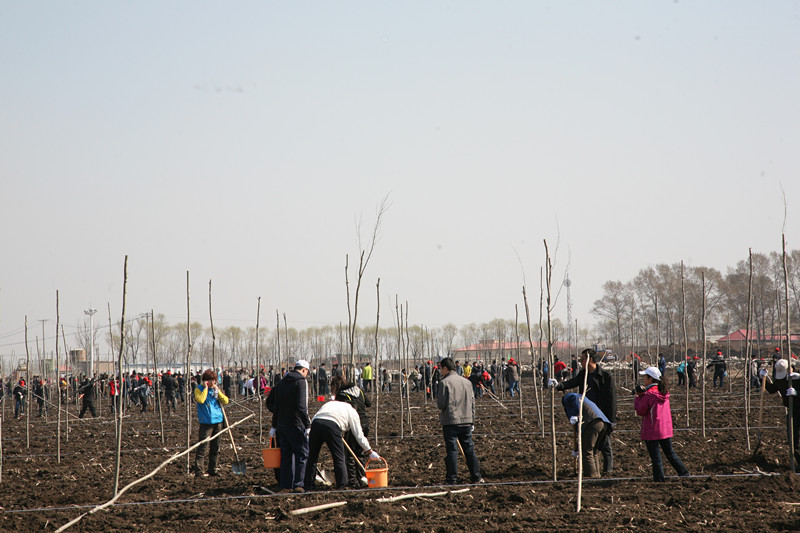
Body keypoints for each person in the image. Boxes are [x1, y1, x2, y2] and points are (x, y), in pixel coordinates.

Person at [555, 348, 617, 474]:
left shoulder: (605, 376)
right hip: (587, 414)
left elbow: (612, 399)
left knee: (605, 444)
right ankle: (594, 470)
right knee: (589, 444)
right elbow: (573, 382)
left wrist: (611, 420)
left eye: (582, 359)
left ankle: (608, 471)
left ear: (590, 359)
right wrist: (559, 385)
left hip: (601, 414)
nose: (581, 361)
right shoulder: (584, 374)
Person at [304, 396, 379, 490]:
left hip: (316, 424)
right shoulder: (352, 411)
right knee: (339, 457)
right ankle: (342, 485)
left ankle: (308, 485)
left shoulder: (330, 404)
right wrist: (369, 451)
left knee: (312, 457)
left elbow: (316, 416)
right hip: (333, 426)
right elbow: (359, 435)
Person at [634, 367, 690, 481]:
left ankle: (659, 480)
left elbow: (640, 411)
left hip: (652, 429)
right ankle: (684, 473)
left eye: (645, 376)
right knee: (670, 453)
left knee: (656, 457)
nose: (643, 378)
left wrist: (638, 397)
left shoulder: (649, 394)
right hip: (665, 429)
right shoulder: (663, 392)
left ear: (650, 379)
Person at [266, 360, 311, 491]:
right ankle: (298, 484)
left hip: (281, 424)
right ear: (304, 370)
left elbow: (273, 404)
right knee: (301, 454)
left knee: (286, 455)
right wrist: (307, 424)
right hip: (296, 423)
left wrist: (275, 424)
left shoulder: (281, 382)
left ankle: (285, 485)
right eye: (307, 372)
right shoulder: (301, 382)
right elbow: (302, 406)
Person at [437, 357, 483, 485]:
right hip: (467, 421)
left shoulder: (444, 383)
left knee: (452, 451)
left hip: (451, 422)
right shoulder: (467, 382)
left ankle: (452, 478)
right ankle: (476, 477)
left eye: (441, 368)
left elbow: (441, 405)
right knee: (469, 449)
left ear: (445, 368)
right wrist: (472, 420)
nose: (440, 371)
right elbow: (472, 403)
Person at [331, 375, 373, 487]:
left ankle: (352, 481)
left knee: (350, 453)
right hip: (365, 423)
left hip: (353, 424)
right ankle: (362, 478)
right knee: (360, 452)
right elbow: (368, 404)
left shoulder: (341, 395)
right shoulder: (359, 390)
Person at [561, 393, 611, 478]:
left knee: (586, 450)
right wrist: (577, 448)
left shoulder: (569, 397)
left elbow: (576, 408)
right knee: (593, 451)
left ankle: (590, 476)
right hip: (603, 423)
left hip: (593, 422)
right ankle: (596, 475)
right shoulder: (582, 398)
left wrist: (574, 415)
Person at [763, 358, 800, 470]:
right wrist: (763, 378)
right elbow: (772, 389)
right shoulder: (781, 380)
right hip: (793, 411)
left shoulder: (798, 378)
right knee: (793, 438)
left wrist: (797, 393)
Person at [191, 369, 229, 477]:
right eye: (210, 380)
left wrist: (218, 392)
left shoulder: (215, 390)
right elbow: (201, 400)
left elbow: (226, 401)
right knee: (203, 447)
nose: (212, 383)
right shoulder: (199, 390)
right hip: (206, 422)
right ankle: (199, 470)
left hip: (218, 421)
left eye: (214, 380)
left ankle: (213, 469)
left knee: (215, 447)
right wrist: (206, 389)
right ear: (205, 381)